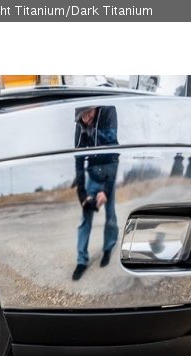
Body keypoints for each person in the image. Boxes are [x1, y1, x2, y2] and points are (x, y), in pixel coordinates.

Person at [71, 106, 120, 281]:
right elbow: (78, 160)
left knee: (111, 215)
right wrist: (82, 195)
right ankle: (81, 260)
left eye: (89, 112)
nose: (86, 118)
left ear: (96, 108)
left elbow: (114, 155)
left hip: (108, 172)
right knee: (85, 219)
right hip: (92, 174)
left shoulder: (108, 114)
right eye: (81, 114)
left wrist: (106, 190)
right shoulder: (80, 123)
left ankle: (108, 247)